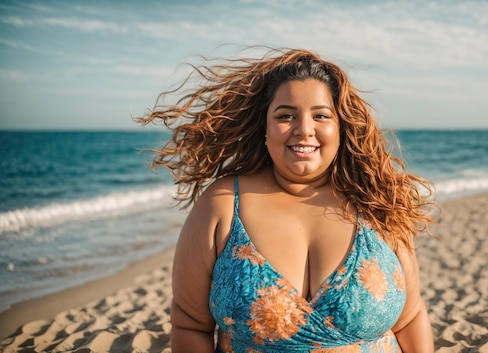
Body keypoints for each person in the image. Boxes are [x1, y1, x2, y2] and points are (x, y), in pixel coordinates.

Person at [139, 48, 436, 353]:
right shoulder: (223, 205)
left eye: (321, 115)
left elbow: (410, 318)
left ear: (341, 127)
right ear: (265, 127)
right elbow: (190, 324)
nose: (304, 129)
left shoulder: (375, 203)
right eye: (285, 116)